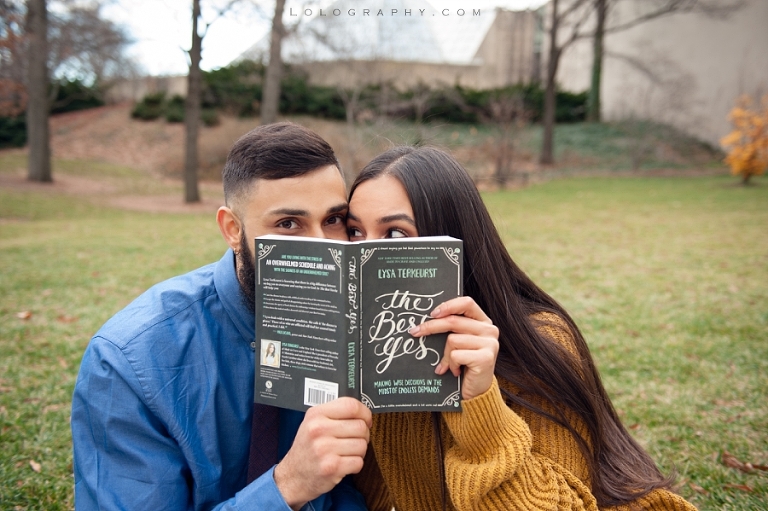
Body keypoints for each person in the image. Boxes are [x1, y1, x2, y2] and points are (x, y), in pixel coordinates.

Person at [346, 146, 697, 511]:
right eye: (354, 232)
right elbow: (368, 494)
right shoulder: (372, 350)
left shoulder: (539, 340)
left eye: (396, 235)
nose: (365, 256)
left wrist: (480, 407)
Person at [71, 122, 372, 511]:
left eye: (333, 220)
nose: (323, 249)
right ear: (232, 229)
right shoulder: (129, 361)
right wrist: (288, 486)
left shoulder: (360, 324)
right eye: (288, 224)